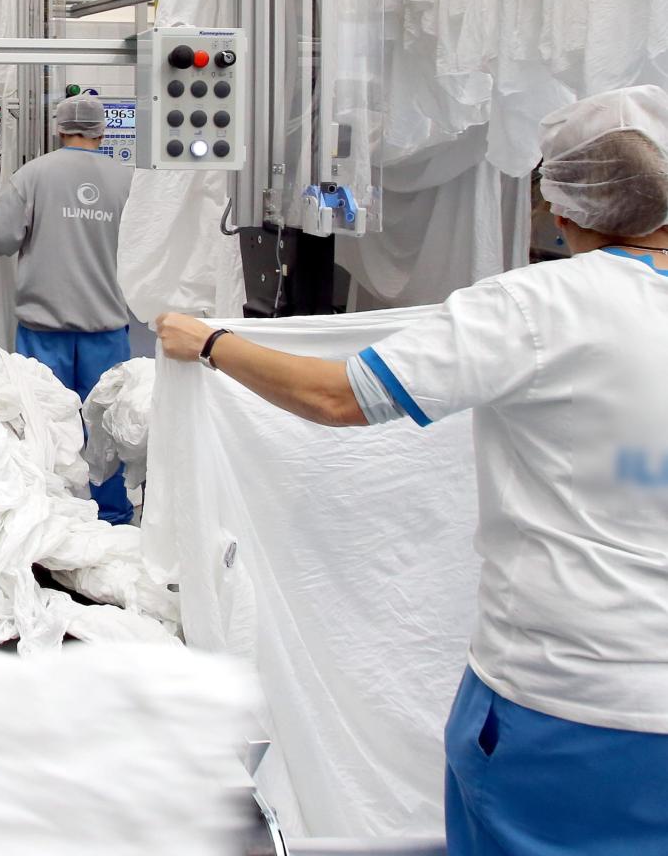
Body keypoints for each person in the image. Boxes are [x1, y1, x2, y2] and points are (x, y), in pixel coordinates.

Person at [156, 85, 668, 855]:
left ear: (561, 206)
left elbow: (338, 396)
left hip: (570, 709)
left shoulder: (539, 310)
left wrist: (207, 343)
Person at [0, 94, 134, 524]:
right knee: (106, 427)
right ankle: (112, 517)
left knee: (44, 424)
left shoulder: (32, 176)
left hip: (43, 331)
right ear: (104, 132)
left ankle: (46, 515)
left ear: (57, 127)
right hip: (107, 330)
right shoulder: (129, 181)